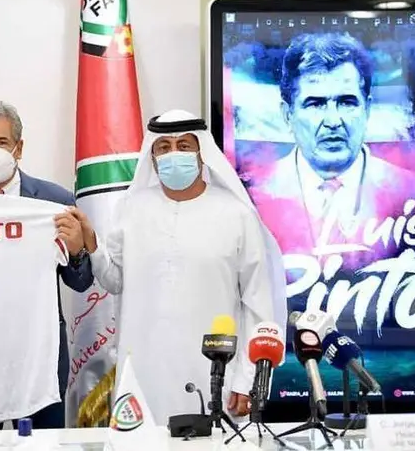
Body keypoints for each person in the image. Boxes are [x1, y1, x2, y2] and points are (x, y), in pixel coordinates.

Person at [71, 110, 287, 421]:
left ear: (202, 153)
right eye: (163, 147)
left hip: (214, 375)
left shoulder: (236, 214)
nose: (174, 154)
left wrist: (247, 379)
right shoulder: (132, 207)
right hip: (144, 373)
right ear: (153, 157)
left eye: (184, 146)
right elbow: (115, 280)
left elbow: (258, 303)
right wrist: (92, 245)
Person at [0, 100, 95, 430]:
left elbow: (82, 282)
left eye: (1, 142)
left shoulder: (54, 200)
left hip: (38, 357)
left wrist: (76, 252)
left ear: (19, 147)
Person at [248, 32, 415, 268]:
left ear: (367, 108)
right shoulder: (252, 197)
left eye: (347, 102)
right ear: (287, 114)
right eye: (316, 103)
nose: (333, 121)